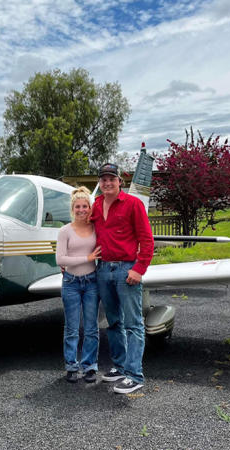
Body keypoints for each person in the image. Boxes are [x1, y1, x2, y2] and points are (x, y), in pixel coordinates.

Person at [92, 162, 155, 394]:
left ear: (120, 182)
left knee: (133, 323)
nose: (107, 182)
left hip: (126, 269)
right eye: (103, 179)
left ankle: (134, 374)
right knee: (114, 322)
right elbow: (85, 232)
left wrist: (139, 269)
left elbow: (147, 240)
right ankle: (119, 366)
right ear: (100, 183)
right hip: (103, 269)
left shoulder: (133, 204)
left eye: (112, 178)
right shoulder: (96, 205)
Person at [56, 186, 102, 383]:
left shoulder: (96, 228)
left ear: (90, 208)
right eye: (78, 206)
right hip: (71, 283)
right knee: (72, 328)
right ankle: (71, 366)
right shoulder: (64, 231)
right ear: (72, 209)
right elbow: (61, 259)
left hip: (92, 281)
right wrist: (88, 257)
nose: (82, 210)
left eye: (85, 206)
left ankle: (89, 365)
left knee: (92, 327)